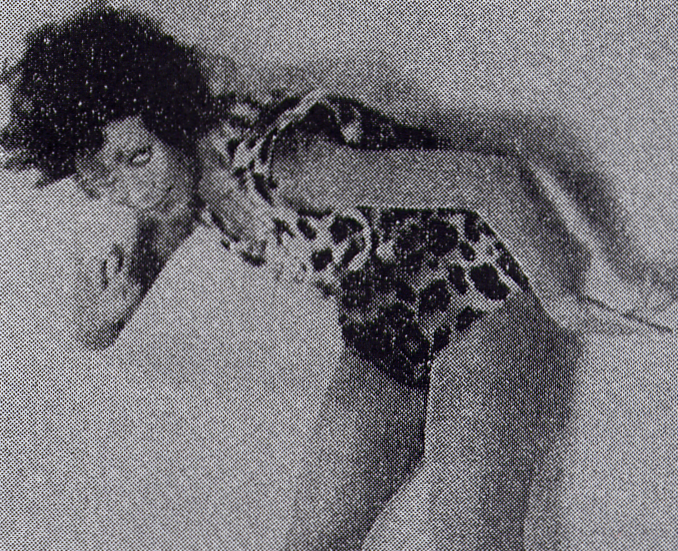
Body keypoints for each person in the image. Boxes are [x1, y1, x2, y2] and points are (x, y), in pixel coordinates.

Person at [1, 7, 628, 550]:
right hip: (382, 324)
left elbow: (494, 181)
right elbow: (143, 248)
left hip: (478, 288)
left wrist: (567, 298)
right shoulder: (174, 191)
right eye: (102, 179)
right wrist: (101, 321)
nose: (135, 191)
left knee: (468, 530)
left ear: (173, 120)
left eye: (138, 157)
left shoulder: (289, 165)